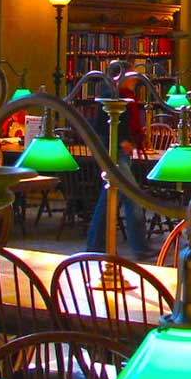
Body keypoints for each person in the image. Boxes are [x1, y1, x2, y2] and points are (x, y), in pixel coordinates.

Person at [85, 74, 149, 259]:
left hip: (119, 153)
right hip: (114, 153)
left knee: (107, 200)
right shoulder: (111, 97)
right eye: (132, 78)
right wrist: (122, 141)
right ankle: (140, 247)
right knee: (133, 196)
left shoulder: (125, 97)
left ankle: (94, 244)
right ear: (121, 78)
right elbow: (101, 126)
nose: (135, 82)